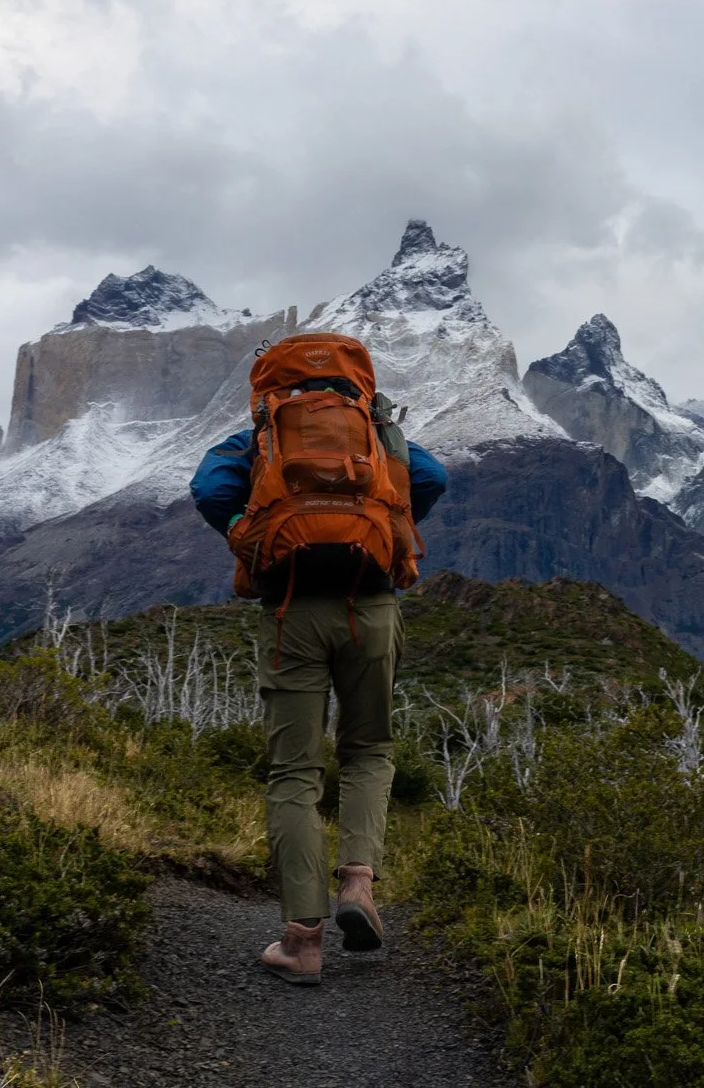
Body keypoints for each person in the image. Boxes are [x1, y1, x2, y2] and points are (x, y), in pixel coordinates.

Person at [190, 385, 448, 987]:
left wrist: (242, 529)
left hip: (291, 612)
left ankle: (302, 942)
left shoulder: (263, 435)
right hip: (373, 605)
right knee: (369, 750)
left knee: (294, 771)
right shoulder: (375, 431)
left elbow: (208, 489)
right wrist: (384, 525)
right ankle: (358, 882)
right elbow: (431, 476)